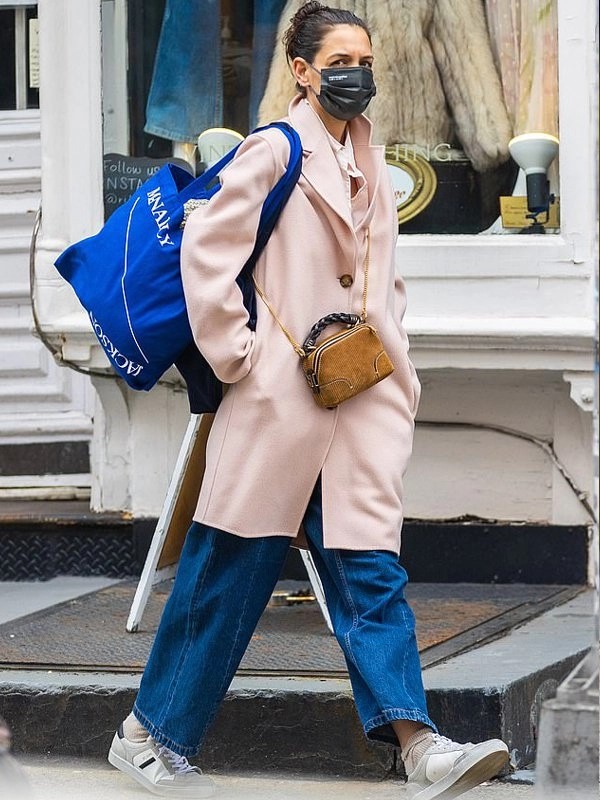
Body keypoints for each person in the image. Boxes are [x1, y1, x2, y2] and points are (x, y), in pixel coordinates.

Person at [108, 3, 510, 798]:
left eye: (365, 57)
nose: (356, 72)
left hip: (356, 401)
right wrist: (239, 357)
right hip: (279, 407)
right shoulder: (273, 151)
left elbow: (381, 284)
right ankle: (145, 737)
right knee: (228, 572)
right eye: (340, 58)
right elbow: (206, 251)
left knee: (371, 572)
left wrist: (400, 367)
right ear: (302, 70)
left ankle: (419, 746)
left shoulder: (372, 161)